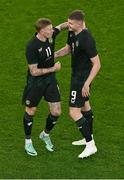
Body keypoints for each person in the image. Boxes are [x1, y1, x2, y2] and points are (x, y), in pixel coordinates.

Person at [55, 10, 101, 158]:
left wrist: (87, 84)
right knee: (85, 106)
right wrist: (54, 55)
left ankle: (90, 145)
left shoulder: (87, 39)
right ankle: (89, 138)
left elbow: (97, 64)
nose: (67, 25)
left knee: (74, 112)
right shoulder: (72, 32)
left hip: (82, 79)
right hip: (77, 75)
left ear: (80, 24)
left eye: (70, 23)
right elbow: (68, 49)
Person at [22, 18, 68, 156]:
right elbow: (34, 71)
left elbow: (62, 26)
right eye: (49, 29)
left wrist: (75, 25)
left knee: (56, 112)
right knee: (31, 110)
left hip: (50, 80)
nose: (52, 30)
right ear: (41, 31)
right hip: (35, 82)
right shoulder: (32, 46)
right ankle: (28, 142)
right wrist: (53, 68)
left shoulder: (50, 34)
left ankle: (45, 134)